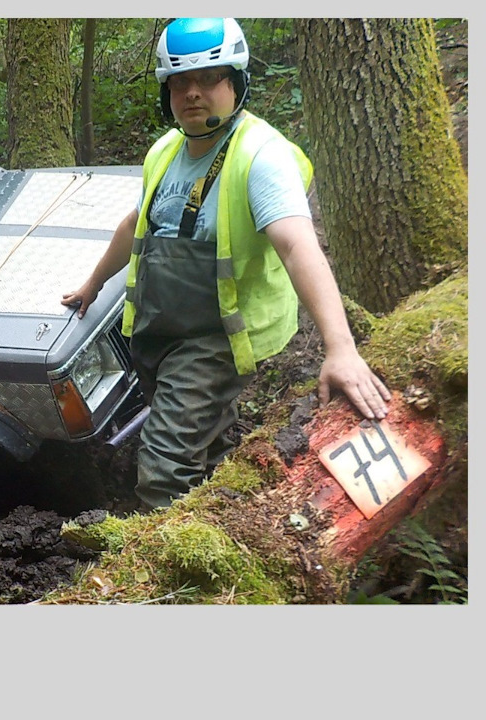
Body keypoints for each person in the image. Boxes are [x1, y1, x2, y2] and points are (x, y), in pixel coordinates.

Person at [61, 17, 391, 510]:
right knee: (203, 442)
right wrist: (92, 284)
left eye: (209, 78)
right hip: (159, 330)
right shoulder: (165, 150)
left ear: (236, 81)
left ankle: (167, 571)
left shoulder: (261, 155)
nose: (193, 92)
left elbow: (300, 246)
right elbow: (138, 225)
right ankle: (220, 505)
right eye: (180, 82)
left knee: (164, 464)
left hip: (216, 337)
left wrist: (340, 348)